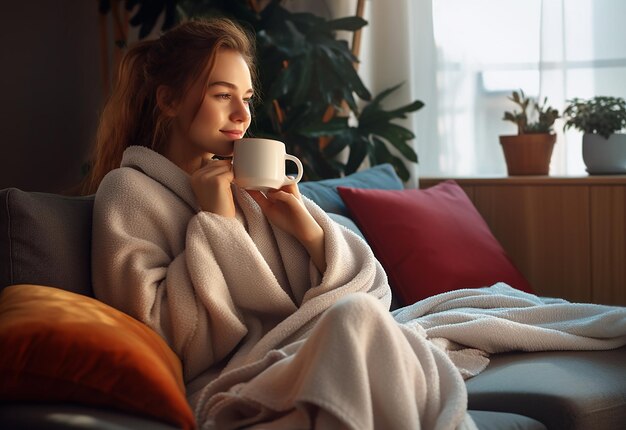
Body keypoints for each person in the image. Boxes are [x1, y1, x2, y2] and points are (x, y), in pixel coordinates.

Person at [88, 17, 626, 430]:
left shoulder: (250, 186)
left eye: (246, 98)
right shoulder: (130, 192)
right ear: (168, 100)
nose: (242, 115)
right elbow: (165, 336)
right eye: (221, 94)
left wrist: (305, 226)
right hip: (235, 375)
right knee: (355, 324)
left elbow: (372, 289)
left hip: (305, 345)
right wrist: (214, 220)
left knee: (367, 321)